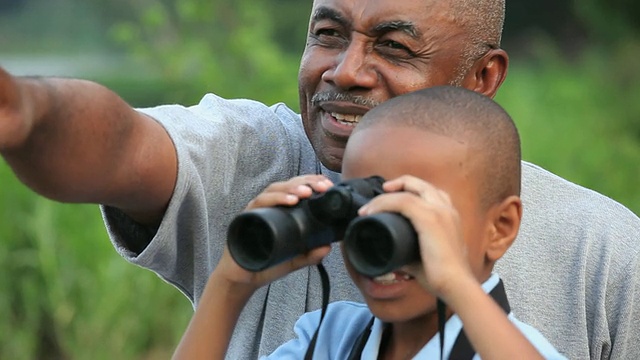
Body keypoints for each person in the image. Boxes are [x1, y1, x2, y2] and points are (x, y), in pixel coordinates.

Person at [0, 0, 638, 359]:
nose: (345, 72)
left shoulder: (606, 254)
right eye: (328, 35)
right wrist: (26, 113)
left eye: (393, 47)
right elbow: (121, 145)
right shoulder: (332, 338)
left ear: (483, 79)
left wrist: (455, 283)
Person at [172, 86, 566, 360]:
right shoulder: (332, 339)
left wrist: (453, 282)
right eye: (360, 210)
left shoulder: (514, 349)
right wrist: (230, 284)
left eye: (412, 215)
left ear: (500, 227)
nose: (380, 242)